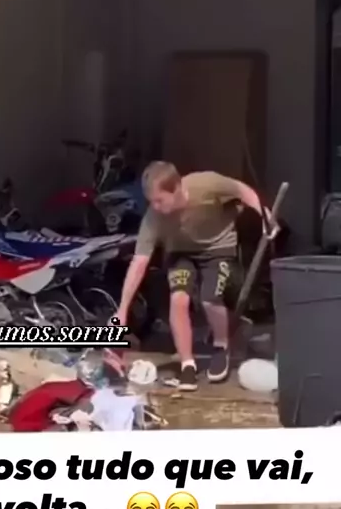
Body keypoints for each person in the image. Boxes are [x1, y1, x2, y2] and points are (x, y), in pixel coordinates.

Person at [113, 161, 274, 391]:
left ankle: (221, 346)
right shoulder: (153, 218)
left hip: (217, 247)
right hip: (180, 252)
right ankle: (187, 364)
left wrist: (264, 215)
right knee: (178, 299)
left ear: (177, 188)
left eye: (160, 200)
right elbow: (139, 262)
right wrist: (122, 309)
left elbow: (242, 190)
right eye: (152, 202)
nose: (156, 207)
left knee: (210, 299)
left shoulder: (206, 184)